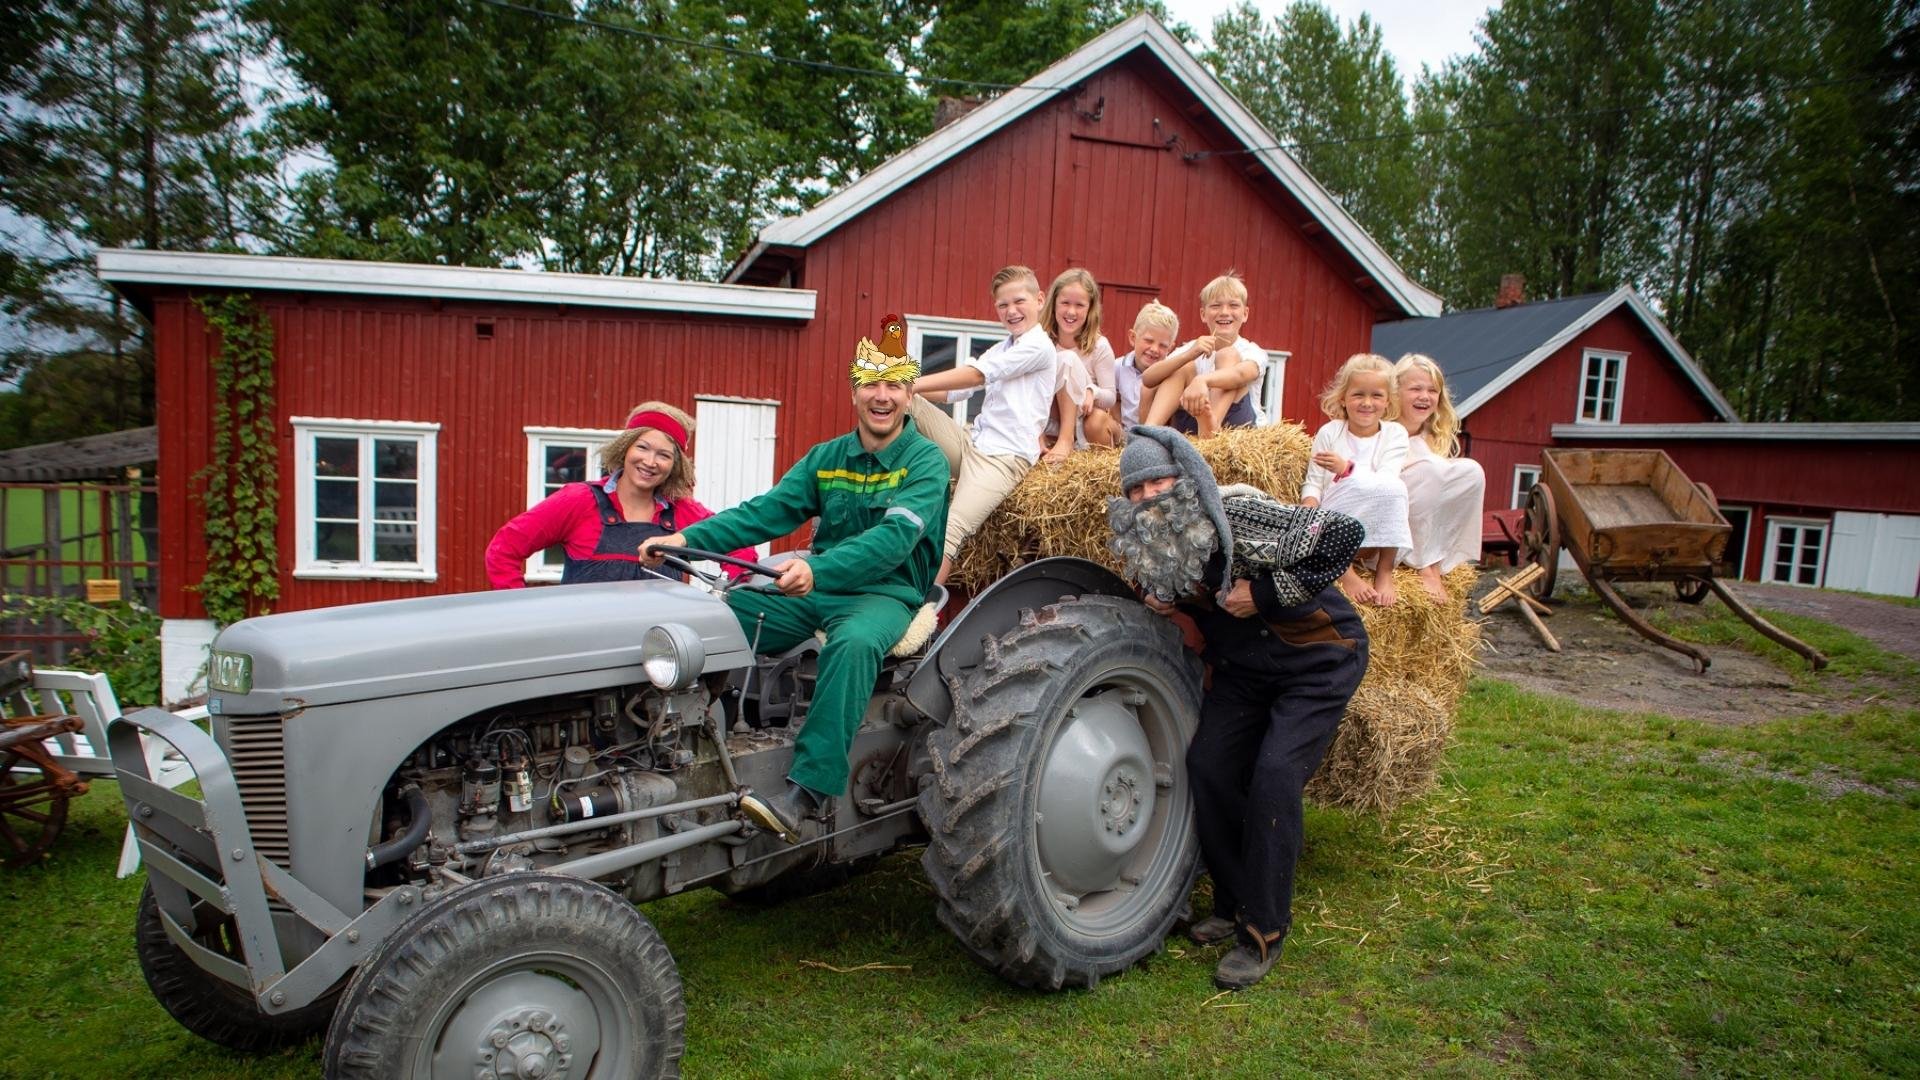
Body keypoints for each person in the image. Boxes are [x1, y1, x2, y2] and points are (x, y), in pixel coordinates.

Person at [639, 333, 949, 842]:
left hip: (885, 592)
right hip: (821, 585)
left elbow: (894, 540)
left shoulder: (925, 461)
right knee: (725, 614)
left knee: (851, 646)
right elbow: (766, 511)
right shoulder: (827, 457)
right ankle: (685, 741)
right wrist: (687, 540)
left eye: (894, 385)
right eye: (871, 384)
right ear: (854, 392)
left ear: (909, 396)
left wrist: (819, 570)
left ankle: (808, 791)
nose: (882, 396)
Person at [1106, 425, 1366, 990]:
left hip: (1317, 660)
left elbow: (1344, 533)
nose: (1148, 496)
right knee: (1209, 767)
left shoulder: (1238, 518)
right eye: (1136, 489)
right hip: (1246, 672)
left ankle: (1264, 930)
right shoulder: (1156, 545)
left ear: (1185, 478)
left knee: (1274, 775)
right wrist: (1162, 598)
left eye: (1158, 481)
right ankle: (1229, 902)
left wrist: (1265, 595)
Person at [484, 402, 753, 588]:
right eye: (643, 447)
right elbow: (504, 549)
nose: (650, 461)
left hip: (658, 660)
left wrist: (727, 597)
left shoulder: (681, 512)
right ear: (625, 449)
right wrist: (520, 611)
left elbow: (740, 547)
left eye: (664, 455)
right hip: (584, 650)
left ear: (675, 466)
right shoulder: (579, 501)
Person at [910, 265, 1058, 583]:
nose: (1012, 311)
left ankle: (917, 619)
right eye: (1003, 305)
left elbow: (978, 375)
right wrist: (902, 388)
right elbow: (955, 392)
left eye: (1019, 301)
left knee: (948, 532)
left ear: (1040, 300)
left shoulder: (1039, 346)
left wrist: (913, 382)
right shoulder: (1004, 346)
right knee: (905, 402)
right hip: (972, 442)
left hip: (1003, 459)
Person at [1300, 354, 1412, 606]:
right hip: (1337, 514)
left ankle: (1384, 571)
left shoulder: (1395, 434)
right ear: (1343, 397)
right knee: (1333, 496)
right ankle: (1345, 572)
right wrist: (1308, 506)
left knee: (1395, 489)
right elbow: (1315, 481)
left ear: (1388, 401)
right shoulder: (1330, 432)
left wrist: (1347, 468)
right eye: (1358, 394)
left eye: (1376, 396)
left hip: (1375, 512)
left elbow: (1386, 479)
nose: (1367, 403)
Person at [1394, 353, 1486, 604]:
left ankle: (1441, 560)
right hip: (1390, 515)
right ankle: (1423, 565)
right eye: (1416, 389)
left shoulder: (1431, 436)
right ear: (1396, 392)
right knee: (1432, 469)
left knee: (1472, 471)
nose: (1425, 396)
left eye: (1433, 391)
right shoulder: (1384, 430)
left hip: (1422, 510)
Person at [1140, 272, 1267, 436]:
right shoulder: (1194, 347)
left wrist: (1203, 380)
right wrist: (1190, 354)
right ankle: (1149, 434)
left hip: (1238, 427)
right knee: (1181, 367)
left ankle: (1211, 431)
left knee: (1228, 355)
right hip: (1193, 424)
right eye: (1215, 306)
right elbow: (1148, 379)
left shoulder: (1252, 351)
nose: (1224, 312)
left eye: (1233, 305)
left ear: (1245, 314)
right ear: (1203, 314)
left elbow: (1241, 374)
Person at [1039, 268, 1120, 462]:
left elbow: (1110, 397)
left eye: (1080, 305)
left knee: (1067, 359)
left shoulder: (1099, 346)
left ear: (1090, 308)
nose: (1071, 312)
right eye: (1065, 303)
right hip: (1050, 418)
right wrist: (1037, 434)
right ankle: (1050, 442)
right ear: (1054, 304)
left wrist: (1093, 391)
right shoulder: (1040, 341)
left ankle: (1066, 441)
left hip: (1085, 422)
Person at [1113, 301, 1179, 430]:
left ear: (1170, 348)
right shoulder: (1118, 367)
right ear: (1133, 337)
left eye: (1163, 345)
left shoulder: (1170, 375)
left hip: (1155, 433)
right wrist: (1119, 424)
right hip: (1126, 433)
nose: (1154, 349)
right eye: (1149, 340)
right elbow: (1115, 399)